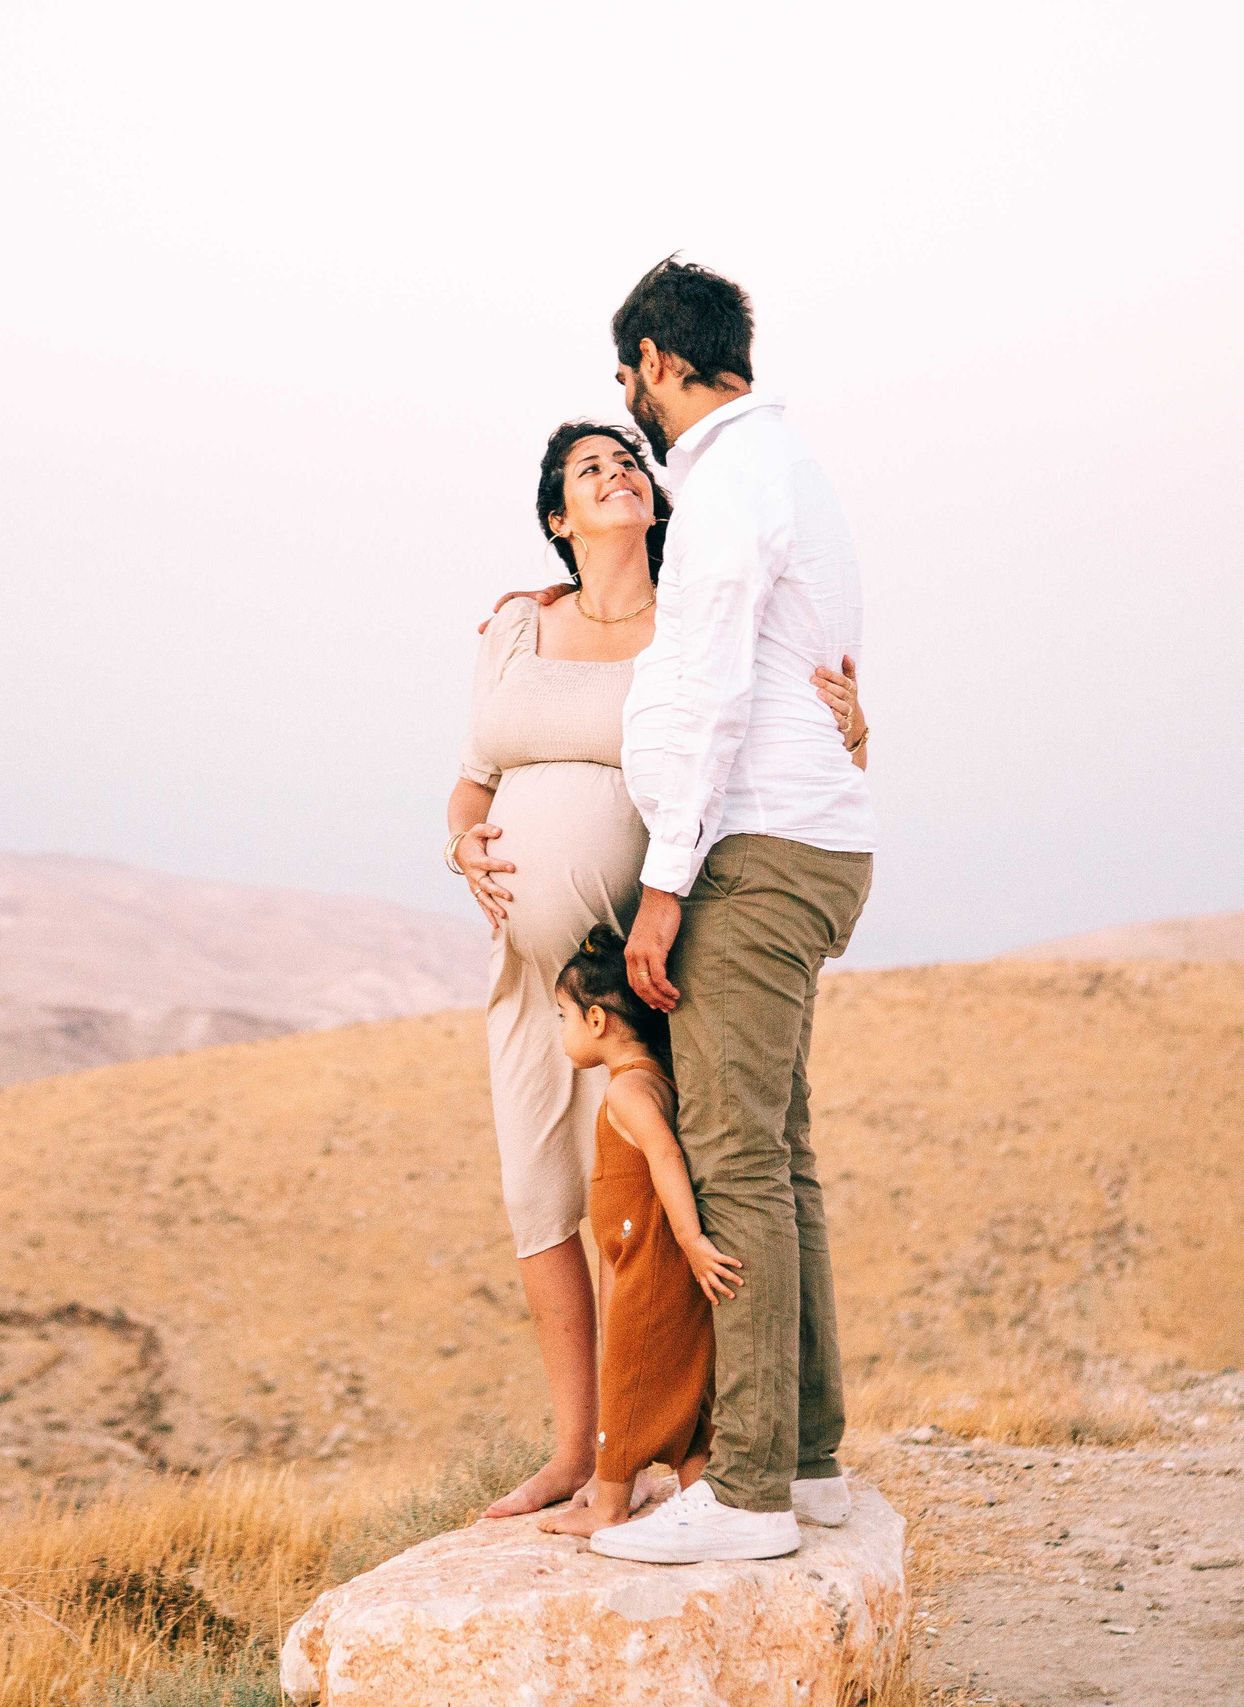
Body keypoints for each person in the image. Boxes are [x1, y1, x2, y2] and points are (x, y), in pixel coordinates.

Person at [447, 421, 870, 1520]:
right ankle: (574, 1450)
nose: (618, 472)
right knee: (538, 1195)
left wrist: (852, 726)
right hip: (527, 971)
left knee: (641, 1204)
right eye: (590, 468)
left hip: (640, 964)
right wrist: (460, 841)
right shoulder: (517, 625)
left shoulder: (692, 620)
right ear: (558, 516)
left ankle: (661, 1450)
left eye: (628, 460)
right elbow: (474, 777)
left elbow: (782, 730)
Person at [585, 257, 879, 1566]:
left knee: (739, 1163)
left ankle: (750, 1491)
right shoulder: (784, 467)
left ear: (656, 359)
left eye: (627, 380)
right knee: (782, 1155)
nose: (631, 406)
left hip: (753, 854)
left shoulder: (726, 482)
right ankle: (805, 1461)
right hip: (805, 840)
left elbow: (710, 688)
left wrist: (664, 886)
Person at [534, 927, 738, 1540]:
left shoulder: (628, 1089)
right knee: (684, 1391)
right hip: (646, 1255)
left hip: (650, 1260)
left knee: (626, 1380)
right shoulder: (655, 1077)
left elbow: (666, 1158)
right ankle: (700, 1492)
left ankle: (610, 1507)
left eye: (563, 1016)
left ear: (597, 1020)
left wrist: (693, 1242)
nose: (561, 1029)